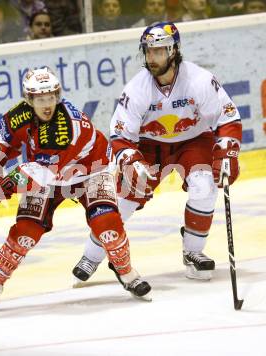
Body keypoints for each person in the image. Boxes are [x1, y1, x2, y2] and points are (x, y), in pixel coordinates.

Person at [0, 67, 151, 309]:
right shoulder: (18, 116)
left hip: (89, 170)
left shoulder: (64, 127)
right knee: (25, 231)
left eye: (51, 98)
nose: (47, 105)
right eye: (41, 99)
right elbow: (1, 142)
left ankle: (127, 274)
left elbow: (38, 174)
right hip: (48, 175)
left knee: (106, 225)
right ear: (29, 100)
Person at [72, 22, 242, 284]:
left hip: (193, 141)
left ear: (173, 51)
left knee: (204, 187)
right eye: (148, 51)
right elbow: (120, 136)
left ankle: (193, 253)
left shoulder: (199, 80)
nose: (152, 58)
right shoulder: (136, 89)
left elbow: (227, 118)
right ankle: (92, 254)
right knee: (125, 199)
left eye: (159, 51)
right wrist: (130, 160)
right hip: (149, 146)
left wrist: (227, 150)